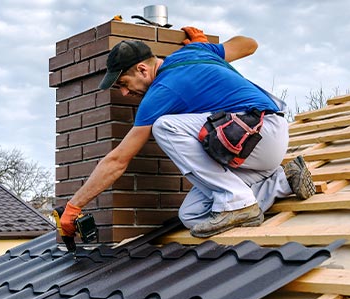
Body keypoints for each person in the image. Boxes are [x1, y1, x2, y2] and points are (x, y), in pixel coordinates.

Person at [59, 27, 315, 239]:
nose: (125, 93)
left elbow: (117, 160)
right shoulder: (196, 51)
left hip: (259, 131)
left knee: (165, 126)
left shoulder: (161, 92)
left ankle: (238, 202)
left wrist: (74, 206)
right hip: (256, 149)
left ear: (142, 70)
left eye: (123, 84)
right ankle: (283, 181)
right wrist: (210, 52)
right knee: (192, 215)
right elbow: (249, 43)